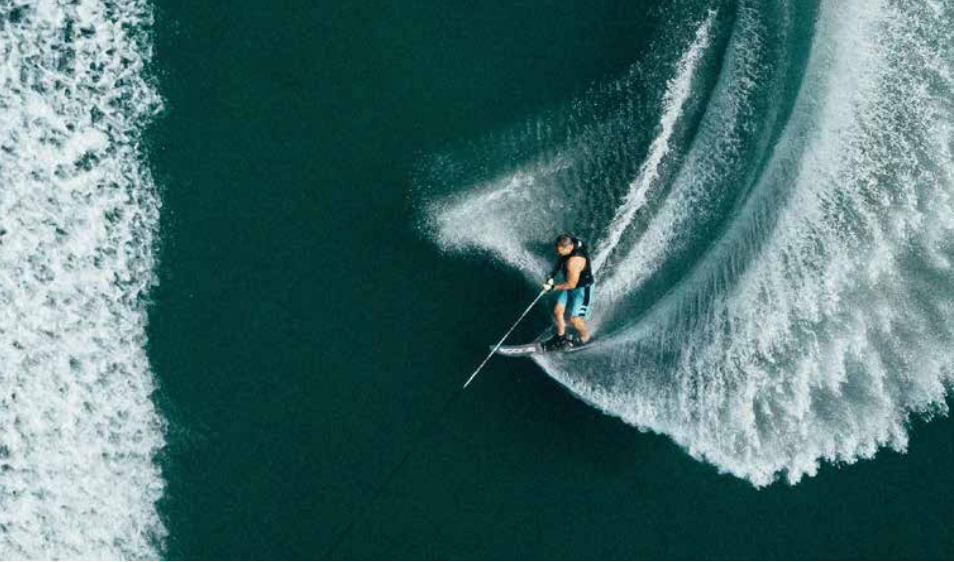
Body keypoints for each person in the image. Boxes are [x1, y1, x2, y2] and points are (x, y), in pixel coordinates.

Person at [541, 233, 594, 350]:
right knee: (558, 311)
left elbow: (571, 284)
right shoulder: (572, 242)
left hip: (582, 290)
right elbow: (561, 258)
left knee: (575, 320)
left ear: (569, 247)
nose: (558, 254)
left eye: (560, 251)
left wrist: (552, 288)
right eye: (557, 251)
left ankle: (586, 338)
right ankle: (560, 338)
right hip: (570, 286)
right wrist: (552, 274)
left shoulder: (573, 262)